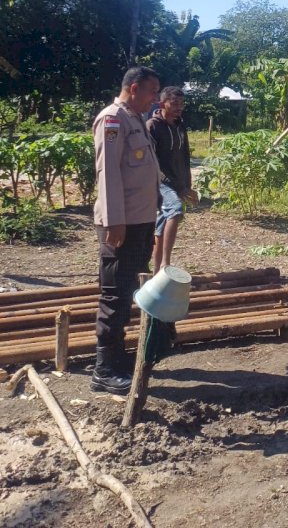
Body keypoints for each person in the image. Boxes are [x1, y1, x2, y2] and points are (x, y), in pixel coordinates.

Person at [91, 66, 161, 394]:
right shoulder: (113, 119)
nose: (155, 98)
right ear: (134, 88)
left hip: (140, 221)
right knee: (115, 293)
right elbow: (108, 175)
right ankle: (104, 370)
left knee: (127, 291)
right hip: (122, 225)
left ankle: (117, 360)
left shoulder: (135, 119)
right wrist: (113, 221)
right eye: (151, 91)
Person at [147, 86, 199, 271]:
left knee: (161, 227)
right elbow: (153, 162)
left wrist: (186, 185)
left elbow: (185, 157)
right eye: (174, 103)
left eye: (182, 104)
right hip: (159, 182)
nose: (179, 107)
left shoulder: (180, 125)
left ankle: (156, 273)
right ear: (162, 104)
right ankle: (165, 265)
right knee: (175, 211)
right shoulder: (152, 126)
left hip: (177, 183)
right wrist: (177, 186)